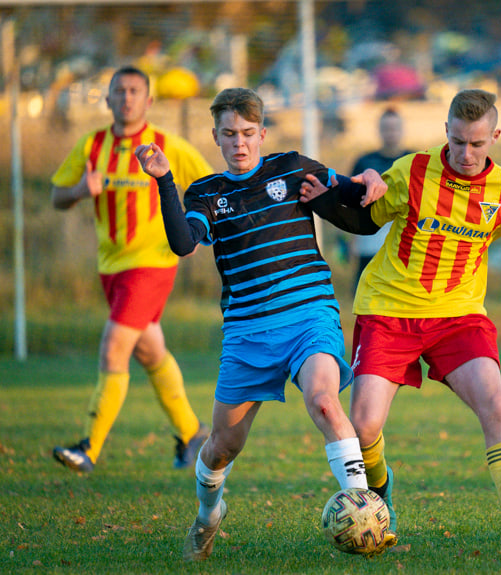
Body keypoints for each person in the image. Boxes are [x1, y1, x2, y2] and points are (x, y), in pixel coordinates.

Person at [308, 89, 501, 553]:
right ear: (446, 130)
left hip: (459, 317)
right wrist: (327, 201)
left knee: (496, 406)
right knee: (363, 429)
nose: (466, 153)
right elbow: (366, 222)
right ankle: (379, 499)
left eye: (477, 144)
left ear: (495, 136)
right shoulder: (413, 171)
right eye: (458, 141)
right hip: (389, 312)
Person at [133, 87, 390, 561]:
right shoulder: (206, 194)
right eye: (229, 134)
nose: (239, 143)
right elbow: (183, 244)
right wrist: (165, 180)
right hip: (248, 334)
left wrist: (374, 177)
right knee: (221, 448)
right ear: (216, 137)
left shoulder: (292, 169)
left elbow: (355, 190)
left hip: (309, 317)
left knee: (325, 402)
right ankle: (208, 516)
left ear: (262, 133)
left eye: (248, 133)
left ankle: (364, 512)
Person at [51, 65, 213, 474]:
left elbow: (210, 187)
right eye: (119, 91)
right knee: (150, 350)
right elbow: (57, 196)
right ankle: (192, 434)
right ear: (106, 99)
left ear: (149, 101)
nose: (126, 97)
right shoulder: (91, 145)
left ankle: (89, 447)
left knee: (114, 348)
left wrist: (194, 229)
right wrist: (78, 191)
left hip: (153, 264)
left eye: (134, 91)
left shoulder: (167, 145)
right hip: (111, 268)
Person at [349, 107, 410, 289]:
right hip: (369, 240)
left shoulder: (414, 160)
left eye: (394, 128)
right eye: (386, 128)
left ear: (402, 129)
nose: (391, 133)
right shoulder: (364, 162)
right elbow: (350, 202)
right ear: (379, 130)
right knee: (365, 290)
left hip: (403, 242)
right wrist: (351, 241)